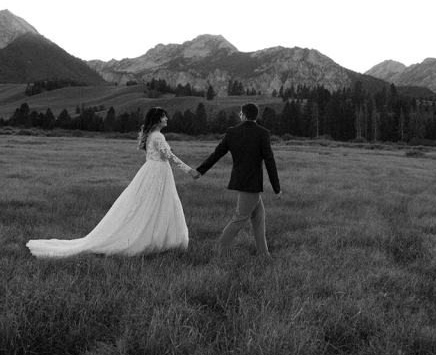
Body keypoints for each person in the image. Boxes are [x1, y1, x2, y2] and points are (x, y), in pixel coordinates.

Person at [26, 107, 200, 258]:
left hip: (152, 172)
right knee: (158, 205)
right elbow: (169, 156)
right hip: (158, 173)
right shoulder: (158, 136)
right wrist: (189, 170)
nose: (167, 119)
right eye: (164, 116)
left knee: (149, 205)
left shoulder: (151, 135)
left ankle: (158, 240)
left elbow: (162, 153)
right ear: (157, 119)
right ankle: (156, 241)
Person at [196, 102, 281, 257]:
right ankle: (218, 250)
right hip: (252, 183)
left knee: (259, 216)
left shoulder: (232, 132)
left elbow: (217, 154)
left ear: (243, 115)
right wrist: (277, 188)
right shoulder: (263, 133)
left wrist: (200, 171)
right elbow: (270, 161)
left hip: (242, 181)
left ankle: (264, 254)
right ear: (256, 116)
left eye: (240, 113)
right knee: (240, 218)